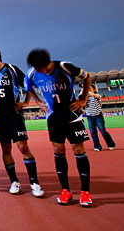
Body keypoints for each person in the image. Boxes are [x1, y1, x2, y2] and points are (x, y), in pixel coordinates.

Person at [24, 49, 93, 207]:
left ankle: (85, 192)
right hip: (53, 117)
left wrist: (83, 98)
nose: (35, 70)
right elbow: (28, 87)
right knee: (58, 151)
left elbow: (87, 77)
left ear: (46, 64)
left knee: (78, 150)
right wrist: (38, 102)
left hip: (71, 113)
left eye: (38, 67)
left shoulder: (65, 67)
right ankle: (65, 191)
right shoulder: (31, 74)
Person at [0, 48, 44, 197]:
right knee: (6, 148)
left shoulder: (12, 69)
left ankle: (34, 182)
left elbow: (28, 84)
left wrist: (26, 102)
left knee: (23, 146)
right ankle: (14, 181)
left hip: (14, 115)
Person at [82, 84, 116, 152]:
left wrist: (86, 89)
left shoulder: (97, 96)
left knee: (103, 131)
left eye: (90, 88)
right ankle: (97, 146)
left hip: (98, 116)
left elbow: (96, 96)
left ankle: (111, 144)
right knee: (93, 132)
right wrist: (83, 89)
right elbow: (80, 97)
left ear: (94, 90)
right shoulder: (85, 97)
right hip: (89, 116)